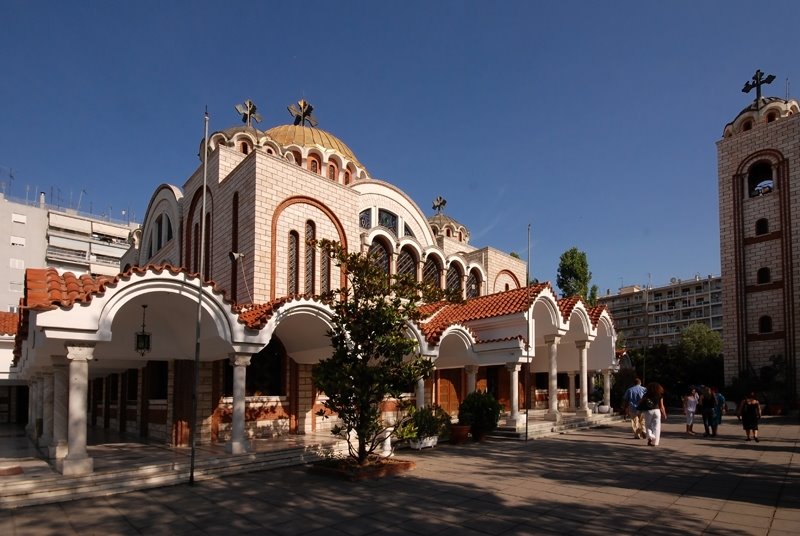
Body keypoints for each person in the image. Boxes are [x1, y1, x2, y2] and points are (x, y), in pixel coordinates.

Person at [640, 382, 667, 446]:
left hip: (648, 411)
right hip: (657, 411)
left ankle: (651, 436)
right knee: (657, 427)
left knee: (648, 425)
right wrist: (664, 414)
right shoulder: (659, 395)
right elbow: (662, 406)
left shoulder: (646, 395)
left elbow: (641, 402)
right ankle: (655, 442)